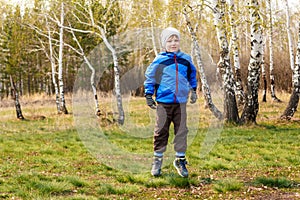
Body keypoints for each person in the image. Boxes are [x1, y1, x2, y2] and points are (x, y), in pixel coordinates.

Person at [144, 27, 198, 177]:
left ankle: (180, 160)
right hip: (163, 102)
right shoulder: (160, 60)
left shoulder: (186, 59)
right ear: (164, 43)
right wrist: (148, 94)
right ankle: (157, 160)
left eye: (176, 40)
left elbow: (192, 75)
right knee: (161, 131)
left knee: (181, 130)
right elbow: (150, 77)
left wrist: (193, 90)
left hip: (181, 102)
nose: (173, 43)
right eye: (170, 40)